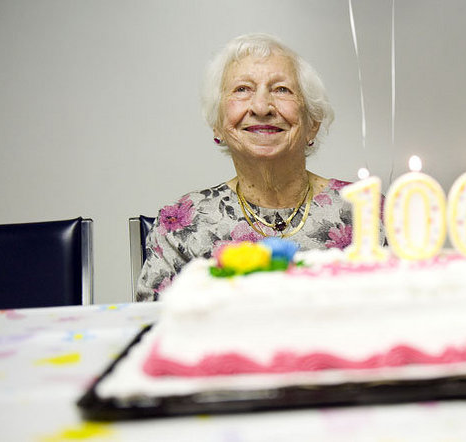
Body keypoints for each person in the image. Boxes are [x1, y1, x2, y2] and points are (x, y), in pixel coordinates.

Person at [136, 33, 383, 301]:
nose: (261, 107)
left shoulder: (367, 211)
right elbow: (155, 328)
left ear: (312, 122)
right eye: (242, 89)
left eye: (281, 89)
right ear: (217, 122)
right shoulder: (182, 227)